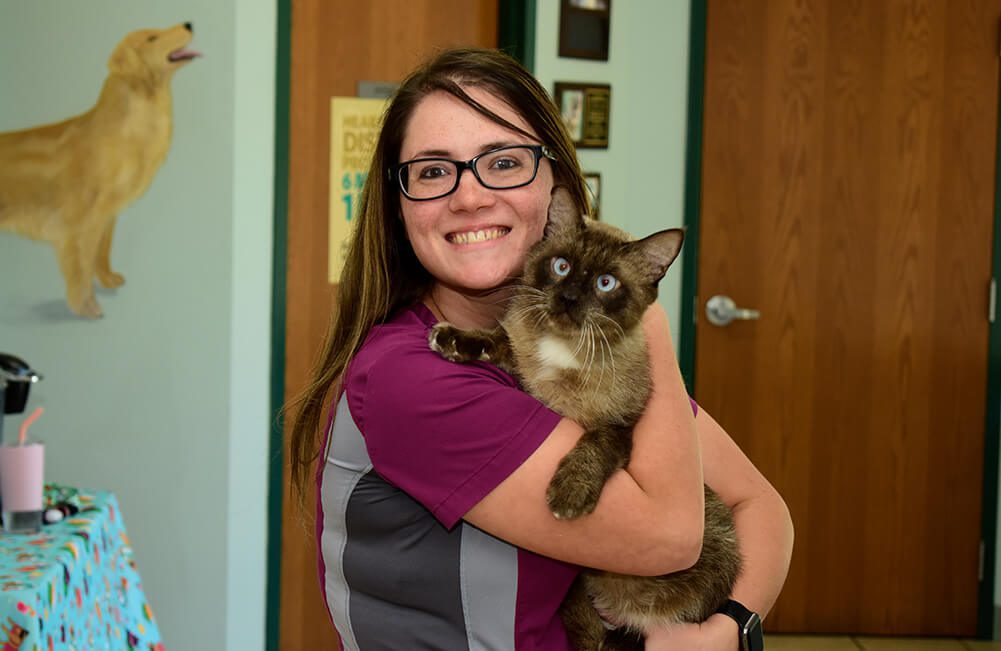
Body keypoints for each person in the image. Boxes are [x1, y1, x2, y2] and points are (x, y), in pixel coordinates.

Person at [287, 47, 793, 650]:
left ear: (557, 188)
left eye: (503, 163)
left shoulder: (578, 353)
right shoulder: (408, 379)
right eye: (432, 171)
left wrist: (728, 630)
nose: (469, 197)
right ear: (398, 208)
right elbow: (671, 536)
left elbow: (760, 504)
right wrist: (642, 315)